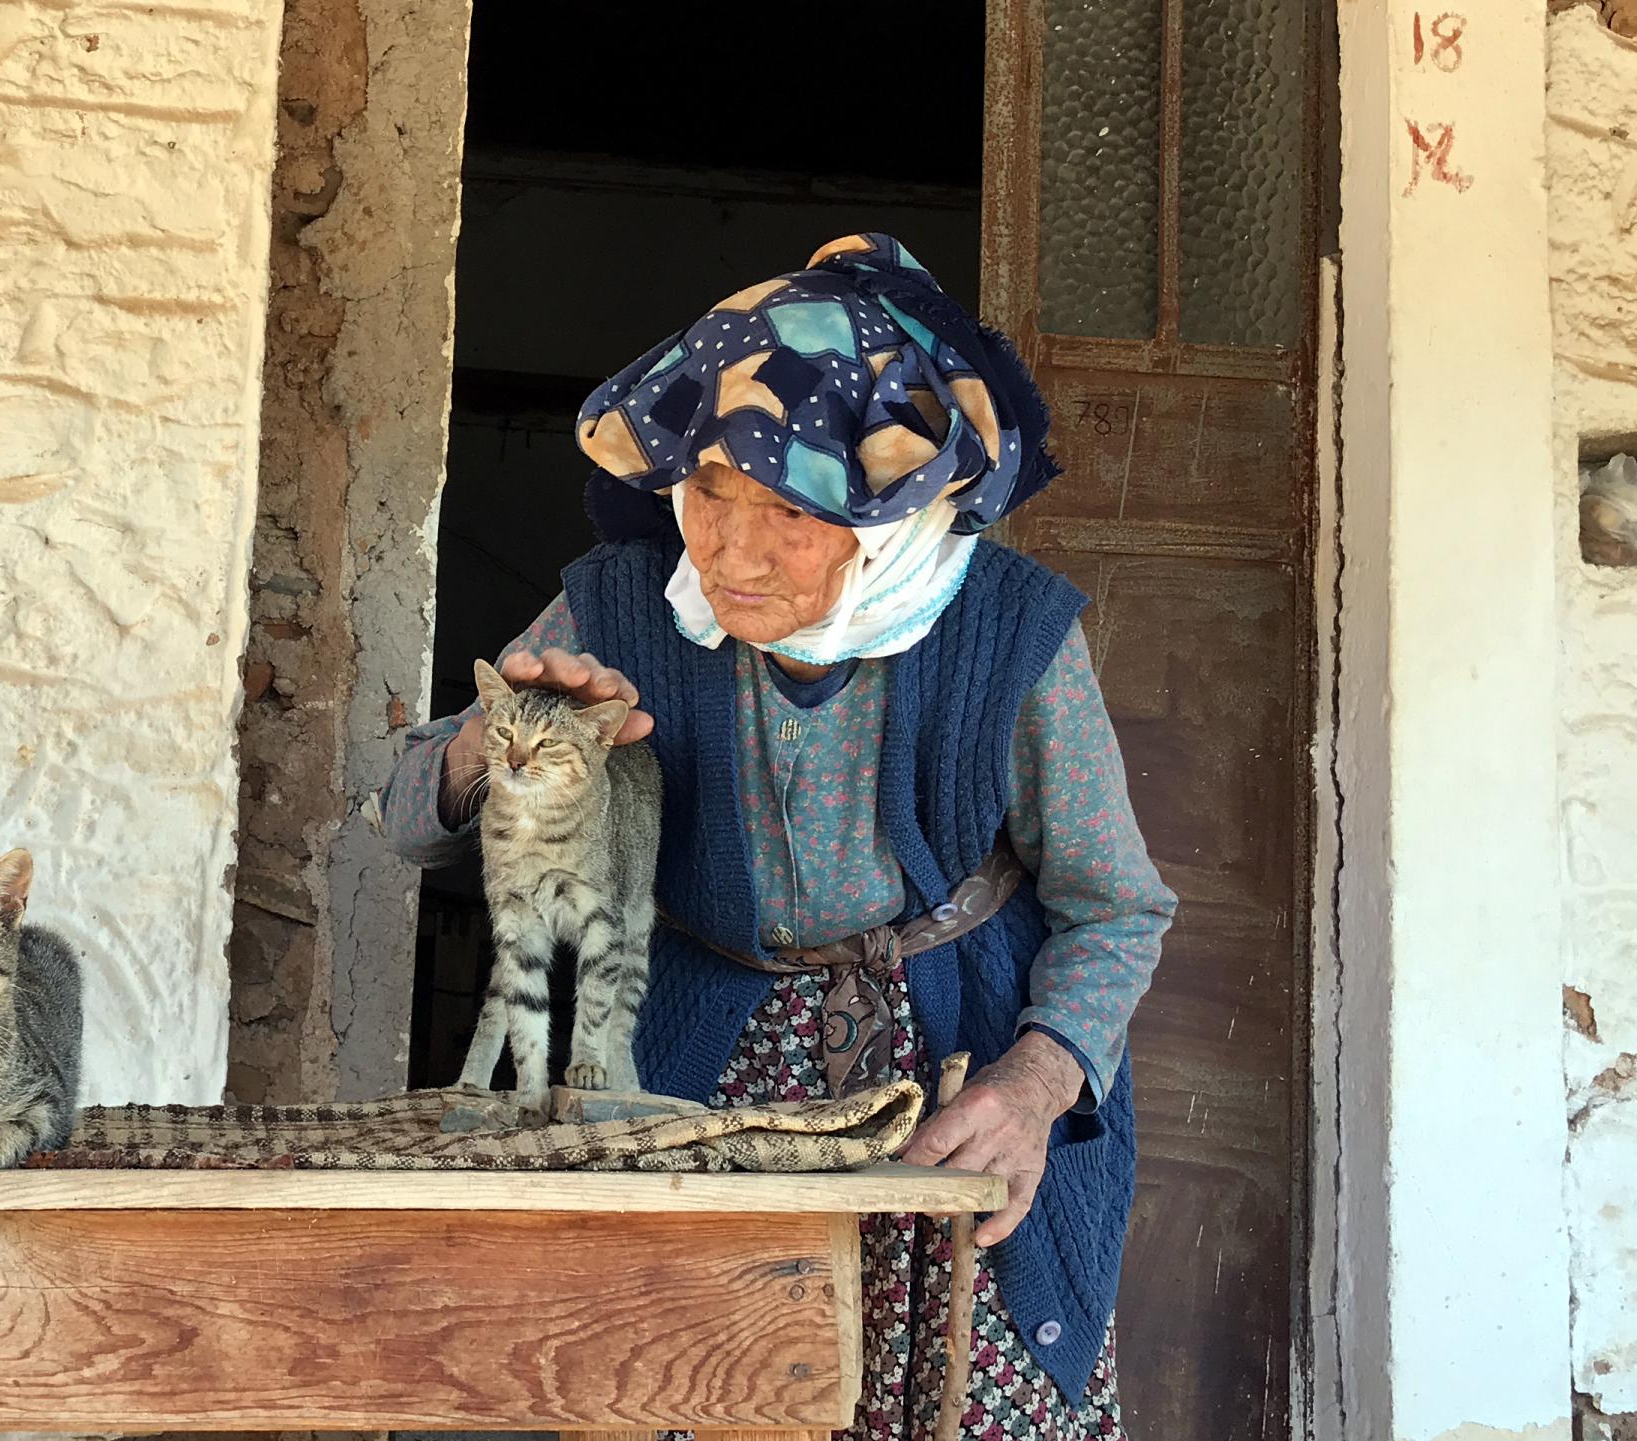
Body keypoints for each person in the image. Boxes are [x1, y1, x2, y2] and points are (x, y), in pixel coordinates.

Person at [379, 234, 1174, 1441]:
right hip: (698, 1084)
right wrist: (501, 741)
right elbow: (410, 825)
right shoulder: (627, 604)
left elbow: (1115, 902)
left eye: (789, 512)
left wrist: (1034, 1082)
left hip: (946, 1093)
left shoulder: (1004, 634)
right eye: (707, 493)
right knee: (693, 1392)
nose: (731, 553)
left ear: (889, 511)